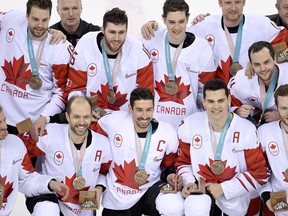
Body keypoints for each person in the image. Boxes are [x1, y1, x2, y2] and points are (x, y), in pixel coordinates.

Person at [175, 79, 270, 215]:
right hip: (200, 191)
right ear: (204, 102)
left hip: (234, 199)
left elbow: (260, 174)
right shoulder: (189, 124)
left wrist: (224, 188)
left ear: (229, 100)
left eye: (220, 100)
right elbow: (183, 163)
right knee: (186, 206)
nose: (216, 106)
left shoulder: (246, 129)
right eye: (211, 101)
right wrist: (188, 182)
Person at [141, 0, 288, 85]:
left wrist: (265, 60)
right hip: (218, 101)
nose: (233, 7)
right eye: (228, 2)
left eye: (237, 2)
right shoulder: (205, 25)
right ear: (219, 2)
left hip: (251, 98)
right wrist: (153, 25)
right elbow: (177, 30)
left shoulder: (261, 24)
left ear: (244, 2)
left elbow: (285, 43)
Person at [96, 88, 183, 216]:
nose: (144, 116)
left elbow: (168, 166)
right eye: (139, 110)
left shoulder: (167, 133)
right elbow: (88, 121)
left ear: (154, 108)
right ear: (130, 108)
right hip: (117, 196)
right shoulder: (114, 122)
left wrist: (170, 176)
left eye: (149, 110)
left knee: (174, 205)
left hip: (149, 190)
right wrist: (92, 109)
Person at [19, 96, 112, 215]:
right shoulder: (49, 134)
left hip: (84, 203)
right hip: (50, 196)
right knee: (47, 209)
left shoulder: (103, 143)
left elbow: (105, 172)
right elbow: (17, 143)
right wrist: (39, 181)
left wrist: (99, 189)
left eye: (86, 117)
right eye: (76, 117)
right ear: (67, 117)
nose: (82, 122)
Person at [65, 7, 154, 124]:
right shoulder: (85, 45)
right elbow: (74, 90)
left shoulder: (138, 50)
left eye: (121, 32)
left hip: (126, 122)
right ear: (103, 30)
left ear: (127, 31)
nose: (117, 38)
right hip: (92, 120)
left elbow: (146, 94)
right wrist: (83, 110)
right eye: (112, 32)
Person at [139, 0, 216, 129]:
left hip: (188, 125)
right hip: (155, 124)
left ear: (187, 19)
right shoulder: (151, 38)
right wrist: (148, 24)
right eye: (171, 22)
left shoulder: (202, 48)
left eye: (181, 21)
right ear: (163, 20)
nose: (176, 27)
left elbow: (207, 93)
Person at [0, 0, 72, 136]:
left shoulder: (60, 47)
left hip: (32, 124)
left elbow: (62, 93)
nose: (40, 25)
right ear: (26, 16)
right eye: (35, 19)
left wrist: (45, 117)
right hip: (3, 118)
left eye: (45, 20)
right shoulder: (11, 20)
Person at [0, 105, 69, 215]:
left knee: (48, 207)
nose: (4, 126)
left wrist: (50, 184)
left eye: (4, 120)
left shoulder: (15, 143)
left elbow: (26, 179)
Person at [229, 41, 288, 126]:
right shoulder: (240, 80)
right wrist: (237, 111)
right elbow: (225, 104)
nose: (263, 68)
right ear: (251, 64)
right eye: (257, 64)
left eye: (266, 62)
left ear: (274, 58)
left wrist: (280, 115)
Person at [258, 84, 288, 215]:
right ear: (276, 108)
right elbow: (259, 169)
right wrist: (266, 196)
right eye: (284, 108)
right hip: (279, 196)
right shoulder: (265, 132)